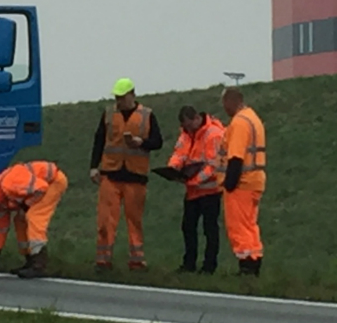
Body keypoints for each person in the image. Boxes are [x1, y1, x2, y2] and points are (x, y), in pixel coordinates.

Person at [90, 78, 163, 271]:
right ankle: (103, 260)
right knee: (106, 220)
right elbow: (99, 140)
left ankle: (137, 260)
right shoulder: (108, 113)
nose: (119, 101)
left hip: (135, 176)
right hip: (110, 174)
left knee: (134, 221)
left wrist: (142, 142)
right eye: (117, 97)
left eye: (121, 97)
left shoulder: (147, 115)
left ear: (132, 95)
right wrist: (93, 166)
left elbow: (158, 142)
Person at [0, 160, 68, 278]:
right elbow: (2, 227)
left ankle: (39, 265)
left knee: (34, 217)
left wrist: (26, 206)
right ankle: (29, 261)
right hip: (39, 188)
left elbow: (41, 188)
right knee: (19, 220)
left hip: (53, 181)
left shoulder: (10, 184)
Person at [164, 104, 226, 273]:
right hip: (193, 191)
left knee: (210, 229)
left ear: (197, 118)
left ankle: (209, 266)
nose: (187, 130)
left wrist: (195, 181)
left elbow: (213, 165)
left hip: (210, 190)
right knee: (188, 227)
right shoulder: (186, 134)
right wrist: (173, 169)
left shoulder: (213, 134)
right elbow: (179, 154)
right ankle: (189, 264)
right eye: (185, 127)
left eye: (189, 126)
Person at [220, 87, 267, 276]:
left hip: (242, 183)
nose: (224, 108)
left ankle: (246, 265)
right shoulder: (253, 118)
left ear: (232, 101)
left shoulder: (239, 122)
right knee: (250, 225)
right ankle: (255, 261)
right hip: (256, 181)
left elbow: (236, 157)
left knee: (238, 227)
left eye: (224, 103)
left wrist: (229, 183)